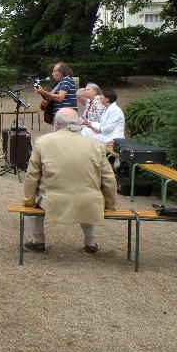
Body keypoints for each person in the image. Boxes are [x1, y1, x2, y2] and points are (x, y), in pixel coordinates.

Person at [23, 108, 117, 253]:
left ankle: (38, 240)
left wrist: (28, 201)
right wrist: (110, 204)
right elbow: (108, 177)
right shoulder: (96, 145)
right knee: (89, 196)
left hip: (53, 202)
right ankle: (90, 242)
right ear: (78, 124)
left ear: (57, 124)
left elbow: (32, 176)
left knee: (33, 203)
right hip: (89, 202)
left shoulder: (43, 142)